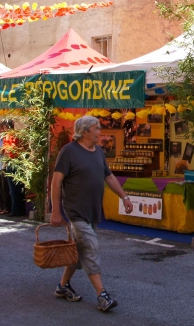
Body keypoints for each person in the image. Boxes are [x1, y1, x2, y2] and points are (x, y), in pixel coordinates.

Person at [50, 116, 133, 312]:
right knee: (91, 247)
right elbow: (56, 182)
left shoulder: (98, 152)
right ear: (86, 131)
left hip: (92, 210)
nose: (100, 132)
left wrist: (124, 197)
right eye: (97, 128)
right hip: (76, 211)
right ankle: (102, 295)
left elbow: (109, 177)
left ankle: (62, 286)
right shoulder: (69, 151)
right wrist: (55, 210)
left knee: (79, 252)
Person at [0, 120, 12, 215]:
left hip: (4, 166)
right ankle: (1, 206)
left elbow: (1, 152)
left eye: (1, 129)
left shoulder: (8, 139)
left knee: (5, 188)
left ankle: (7, 207)